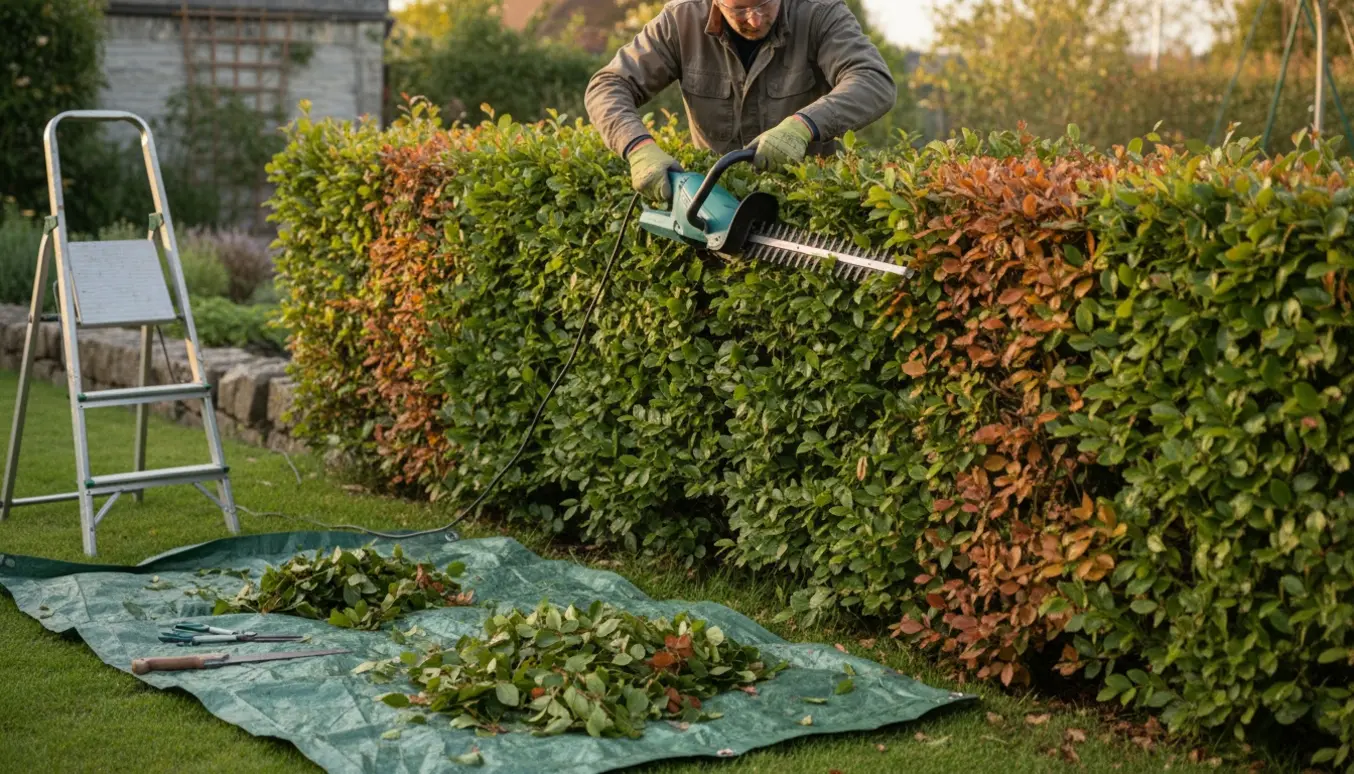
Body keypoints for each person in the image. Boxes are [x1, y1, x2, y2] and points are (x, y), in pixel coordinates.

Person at [584, 0, 897, 206]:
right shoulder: (682, 20)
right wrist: (637, 147)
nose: (754, 18)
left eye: (763, 3)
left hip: (808, 207)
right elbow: (608, 85)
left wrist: (804, 125)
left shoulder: (819, 14)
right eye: (739, 8)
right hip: (714, 206)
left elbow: (872, 80)